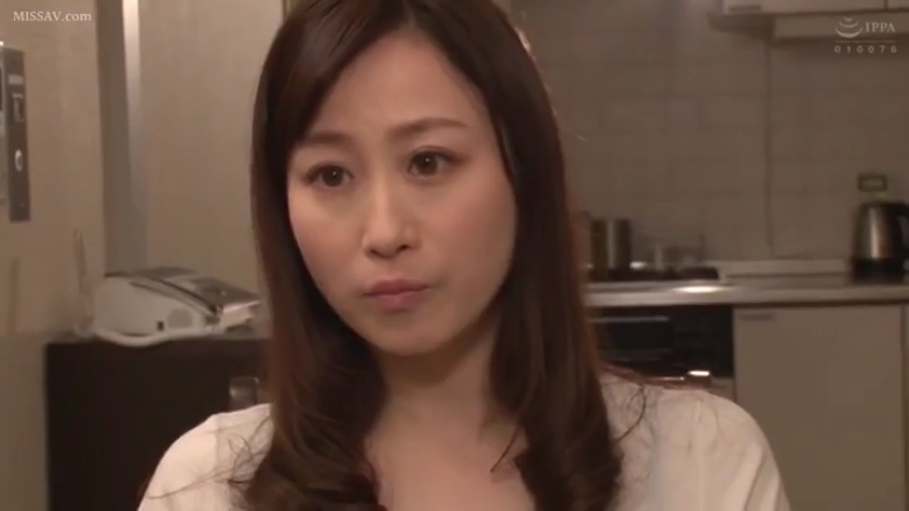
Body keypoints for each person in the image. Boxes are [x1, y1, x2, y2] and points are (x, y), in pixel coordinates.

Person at [139, 0, 790, 509]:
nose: (384, 231)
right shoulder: (209, 485)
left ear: (523, 172)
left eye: (428, 162)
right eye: (330, 175)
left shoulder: (701, 461)